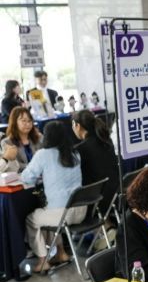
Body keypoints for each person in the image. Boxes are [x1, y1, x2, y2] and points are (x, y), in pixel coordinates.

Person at [21, 121, 85, 272]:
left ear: (47, 136)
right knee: (47, 214)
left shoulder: (43, 154)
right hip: (81, 210)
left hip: (62, 214)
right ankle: (61, 253)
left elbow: (26, 178)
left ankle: (43, 261)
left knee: (32, 219)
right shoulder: (74, 153)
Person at [71, 110, 119, 213]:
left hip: (96, 201)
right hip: (115, 195)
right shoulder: (106, 140)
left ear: (77, 126)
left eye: (73, 125)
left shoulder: (80, 149)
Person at [0, 107, 41, 173]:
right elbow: (13, 166)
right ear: (14, 122)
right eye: (24, 121)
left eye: (29, 121)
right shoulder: (7, 142)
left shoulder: (39, 137)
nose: (28, 124)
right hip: (22, 176)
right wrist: (34, 167)